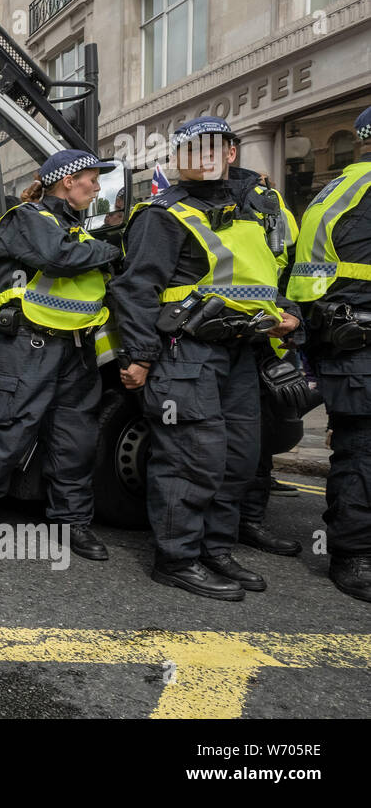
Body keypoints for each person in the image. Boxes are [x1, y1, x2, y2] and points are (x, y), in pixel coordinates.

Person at [109, 117, 301, 601]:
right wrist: (139, 356)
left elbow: (273, 275)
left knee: (238, 459)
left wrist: (289, 314)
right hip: (186, 353)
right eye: (192, 150)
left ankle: (216, 550)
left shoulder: (256, 211)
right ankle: (177, 559)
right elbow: (136, 291)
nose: (205, 156)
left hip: (243, 353)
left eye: (215, 147)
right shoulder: (162, 213)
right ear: (179, 159)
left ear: (231, 153)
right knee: (192, 459)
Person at [0, 150, 120, 564]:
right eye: (91, 178)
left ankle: (71, 523)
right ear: (67, 180)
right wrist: (114, 246)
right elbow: (60, 258)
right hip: (27, 347)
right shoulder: (28, 219)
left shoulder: (79, 229)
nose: (96, 186)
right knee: (7, 437)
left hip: (77, 348)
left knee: (74, 442)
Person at [287, 104, 371, 602]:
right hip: (358, 348)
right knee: (362, 457)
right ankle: (354, 554)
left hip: (345, 344)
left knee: (359, 453)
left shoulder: (335, 190)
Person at [229, 163, 306, 557]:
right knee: (245, 444)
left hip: (264, 342)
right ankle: (239, 524)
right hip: (242, 341)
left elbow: (280, 275)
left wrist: (291, 317)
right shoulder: (262, 212)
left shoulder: (264, 214)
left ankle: (245, 522)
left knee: (254, 443)